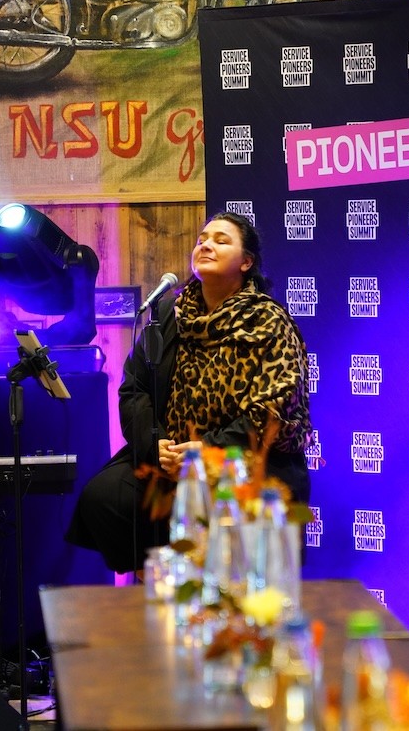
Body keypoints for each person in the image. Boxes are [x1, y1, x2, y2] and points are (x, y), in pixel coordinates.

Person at [66, 211, 313, 573]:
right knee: (105, 496)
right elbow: (134, 387)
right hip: (172, 459)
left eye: (221, 241)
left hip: (241, 462)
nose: (206, 245)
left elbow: (274, 411)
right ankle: (155, 578)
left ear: (246, 262)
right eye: (202, 240)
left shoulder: (269, 321)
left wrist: (206, 450)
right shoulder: (169, 313)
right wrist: (155, 445)